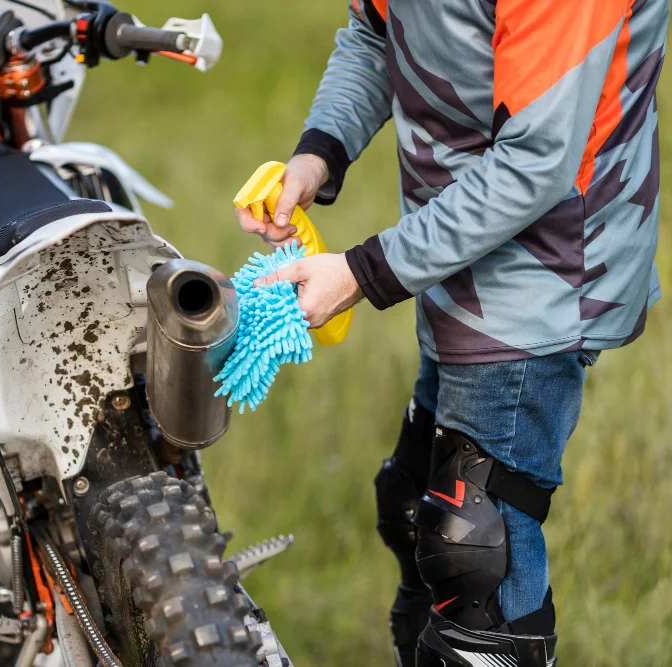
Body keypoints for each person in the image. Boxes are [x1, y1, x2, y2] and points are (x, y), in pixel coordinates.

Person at [235, 1, 668, 665]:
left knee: (474, 554)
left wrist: (361, 272)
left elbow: (534, 161)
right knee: (416, 506)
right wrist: (318, 153)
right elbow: (377, 35)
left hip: (548, 272)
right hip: (455, 259)